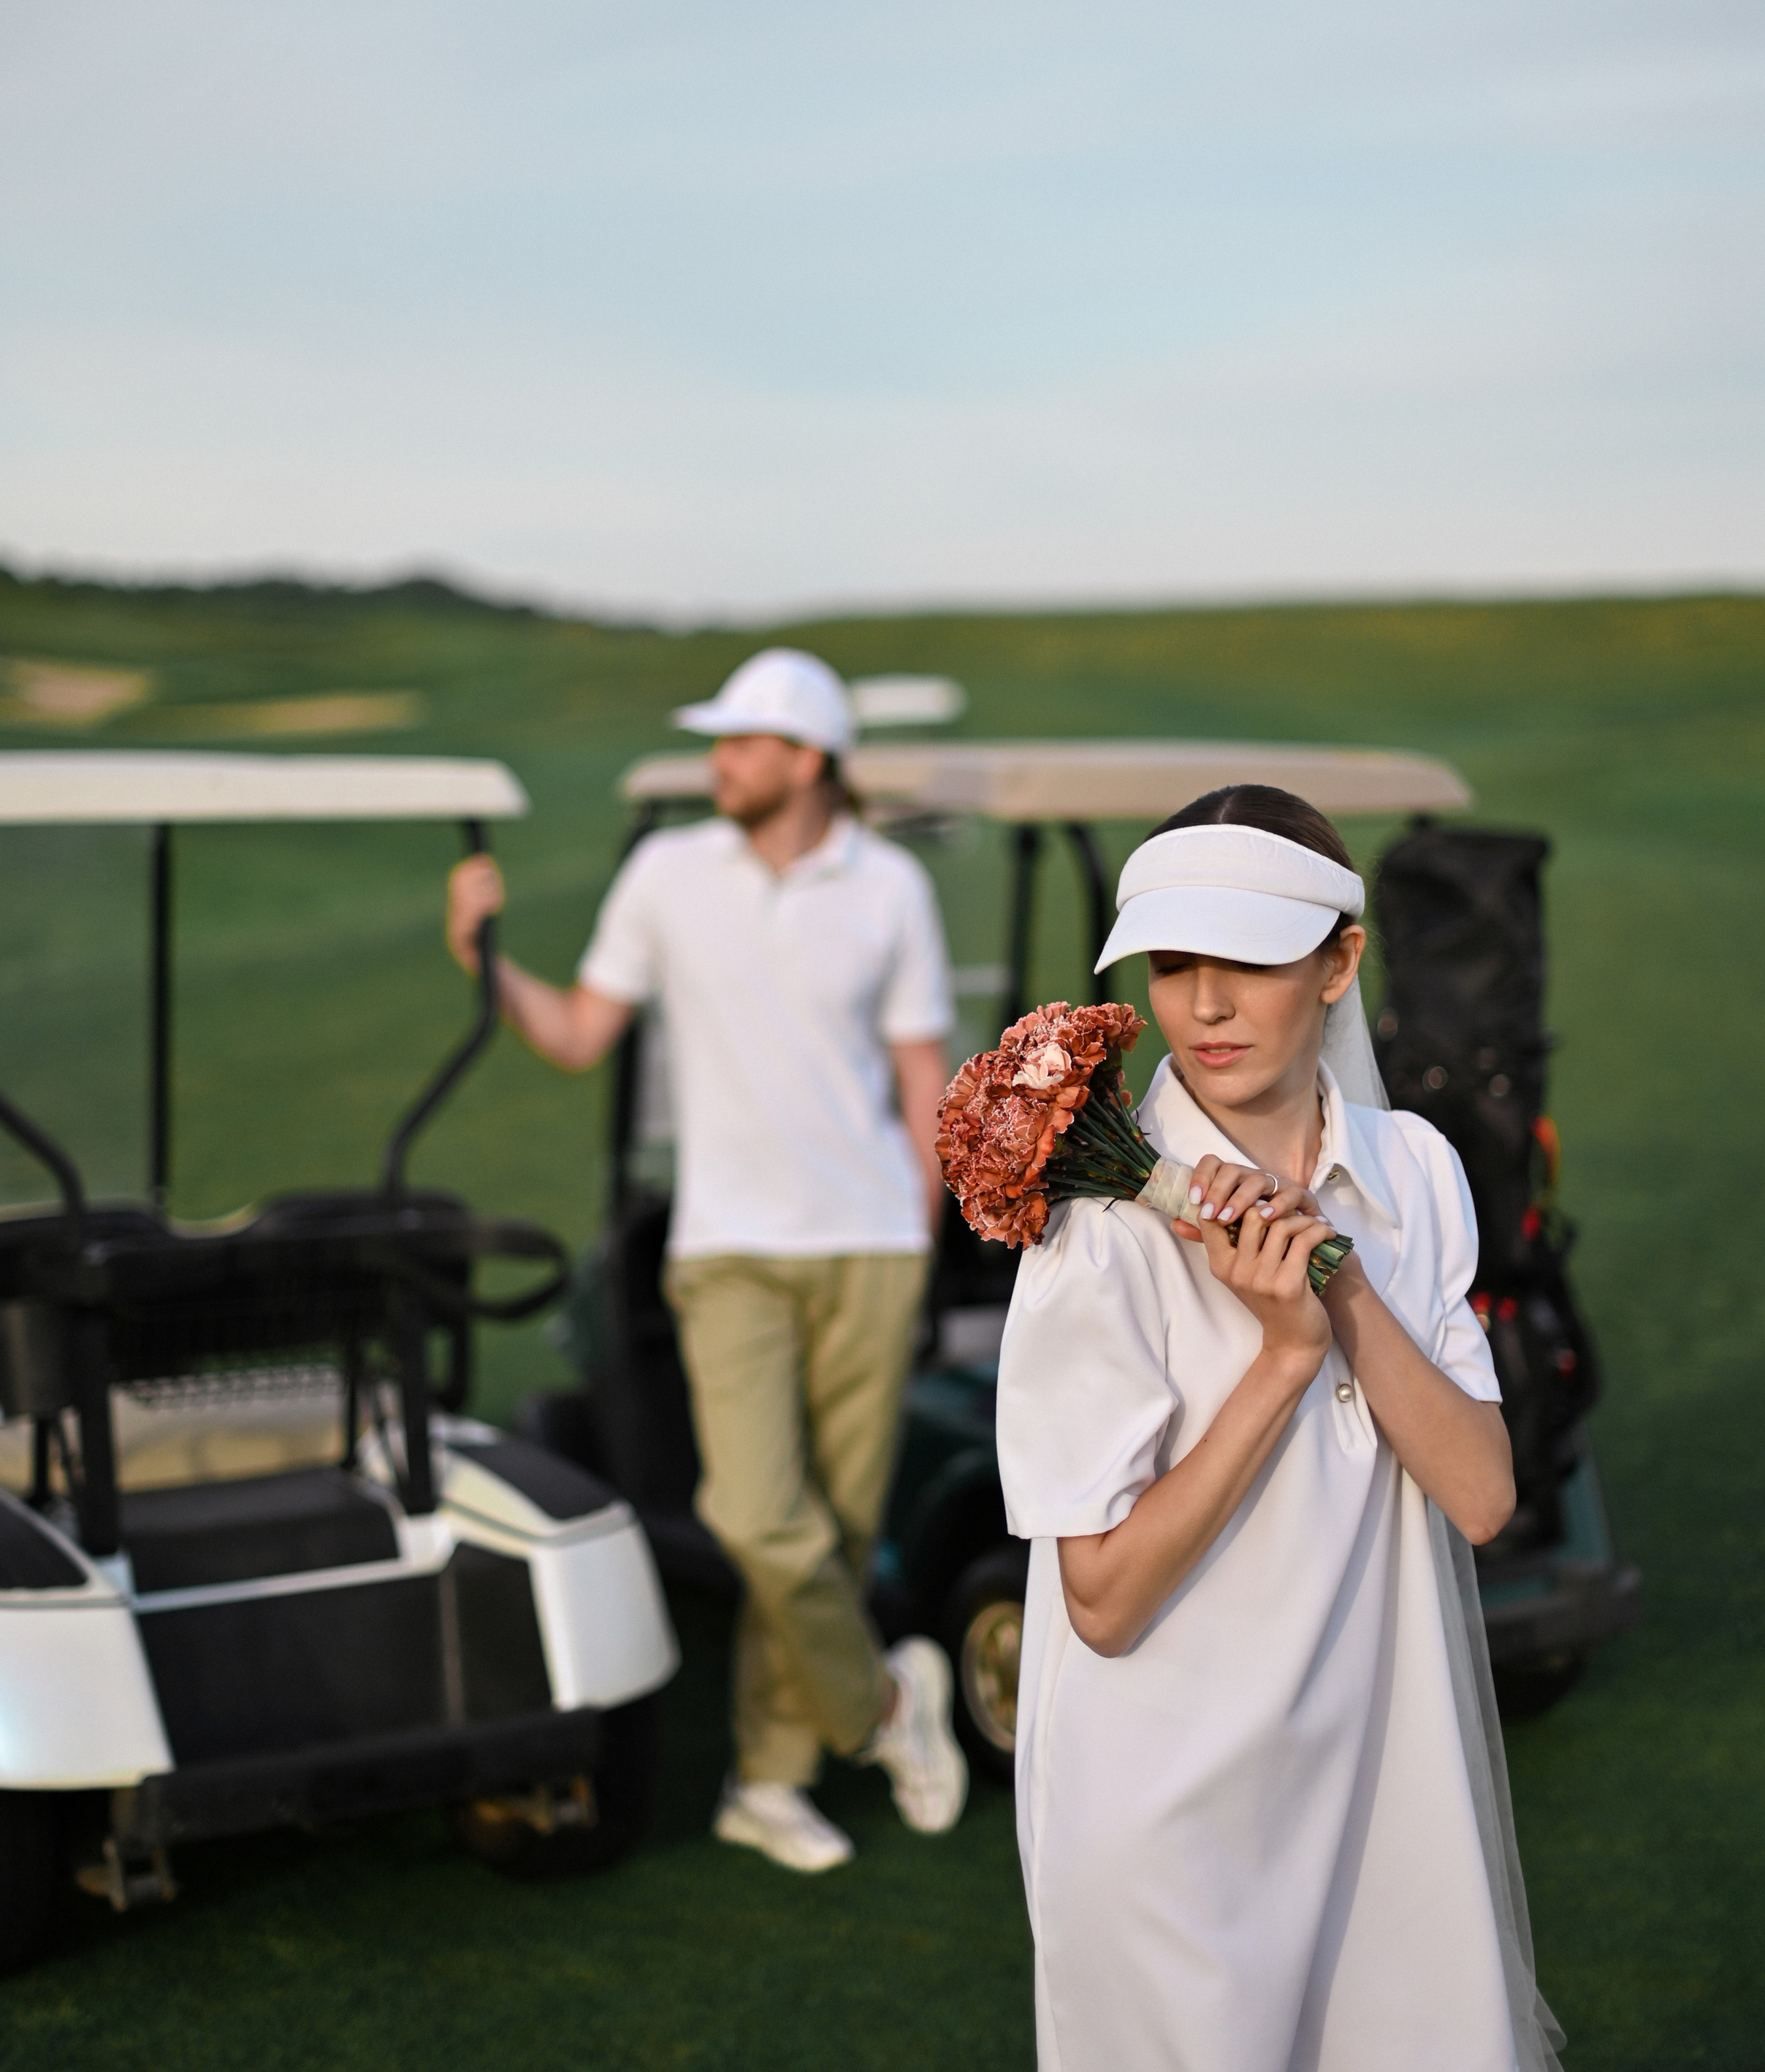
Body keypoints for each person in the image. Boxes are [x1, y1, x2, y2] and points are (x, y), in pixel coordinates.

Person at [995, 782, 1562, 2072]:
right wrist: (1285, 1359)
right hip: (1170, 1834)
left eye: (1247, 960)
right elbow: (1103, 1604)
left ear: (1338, 965)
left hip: (1384, 1792)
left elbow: (1482, 1497)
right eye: (1172, 964)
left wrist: (1337, 1286)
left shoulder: (1415, 1172)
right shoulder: (1096, 1235)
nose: (1203, 1005)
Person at [445, 645, 969, 1874]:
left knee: (836, 1532)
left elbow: (920, 1072)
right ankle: (884, 1704)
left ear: (809, 760)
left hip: (871, 1242)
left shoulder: (891, 886)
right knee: (756, 1515)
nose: (720, 762)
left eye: (741, 742)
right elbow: (580, 1035)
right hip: (727, 1247)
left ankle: (767, 1783)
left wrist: (926, 1229)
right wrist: (483, 959)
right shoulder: (666, 874)